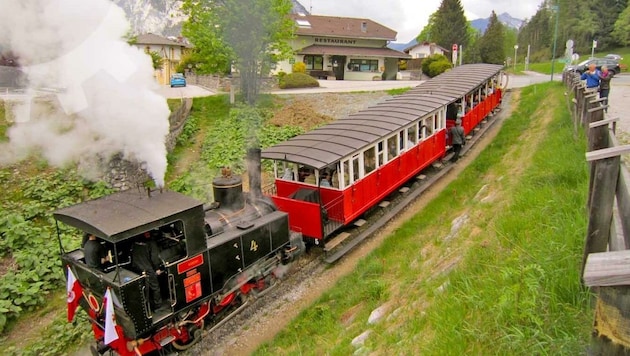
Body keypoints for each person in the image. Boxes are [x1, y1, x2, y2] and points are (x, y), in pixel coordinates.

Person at [132, 231, 164, 311]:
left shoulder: (135, 243)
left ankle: (146, 306)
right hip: (148, 269)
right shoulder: (151, 243)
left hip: (137, 269)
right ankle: (158, 305)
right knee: (155, 287)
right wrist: (157, 268)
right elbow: (154, 258)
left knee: (143, 289)